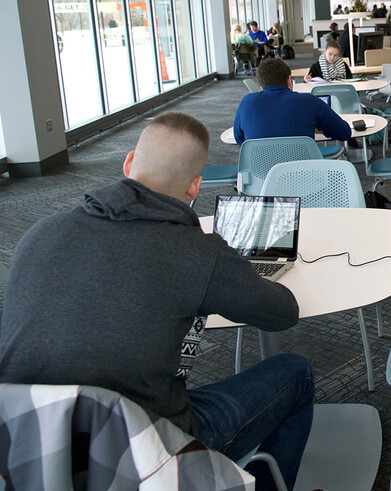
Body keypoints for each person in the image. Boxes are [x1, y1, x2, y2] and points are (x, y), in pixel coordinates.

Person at [0, 112, 313, 490]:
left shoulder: (39, 233)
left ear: (129, 161)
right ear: (195, 187)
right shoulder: (197, 253)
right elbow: (282, 312)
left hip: (28, 448)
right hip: (147, 453)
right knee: (296, 373)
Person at [234, 57, 351, 144]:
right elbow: (344, 132)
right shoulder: (309, 101)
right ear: (289, 79)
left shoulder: (247, 102)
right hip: (301, 174)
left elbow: (240, 140)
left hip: (260, 174)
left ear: (261, 85)